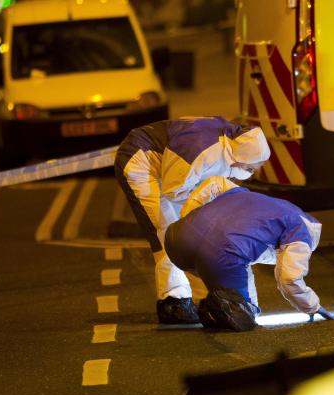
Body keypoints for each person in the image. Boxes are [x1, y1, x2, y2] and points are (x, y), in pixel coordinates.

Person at [114, 117, 270, 324]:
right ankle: (173, 302)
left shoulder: (230, 146)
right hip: (140, 162)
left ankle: (196, 296)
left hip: (168, 167)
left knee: (188, 232)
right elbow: (174, 190)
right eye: (250, 168)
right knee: (167, 231)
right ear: (238, 156)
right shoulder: (201, 151)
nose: (250, 174)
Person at [164, 176, 334, 331]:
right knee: (246, 314)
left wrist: (189, 217)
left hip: (176, 238)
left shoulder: (257, 199)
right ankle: (221, 307)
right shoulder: (301, 231)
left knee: (227, 264)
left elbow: (215, 182)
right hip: (221, 253)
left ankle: (206, 303)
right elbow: (289, 278)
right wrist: (311, 306)